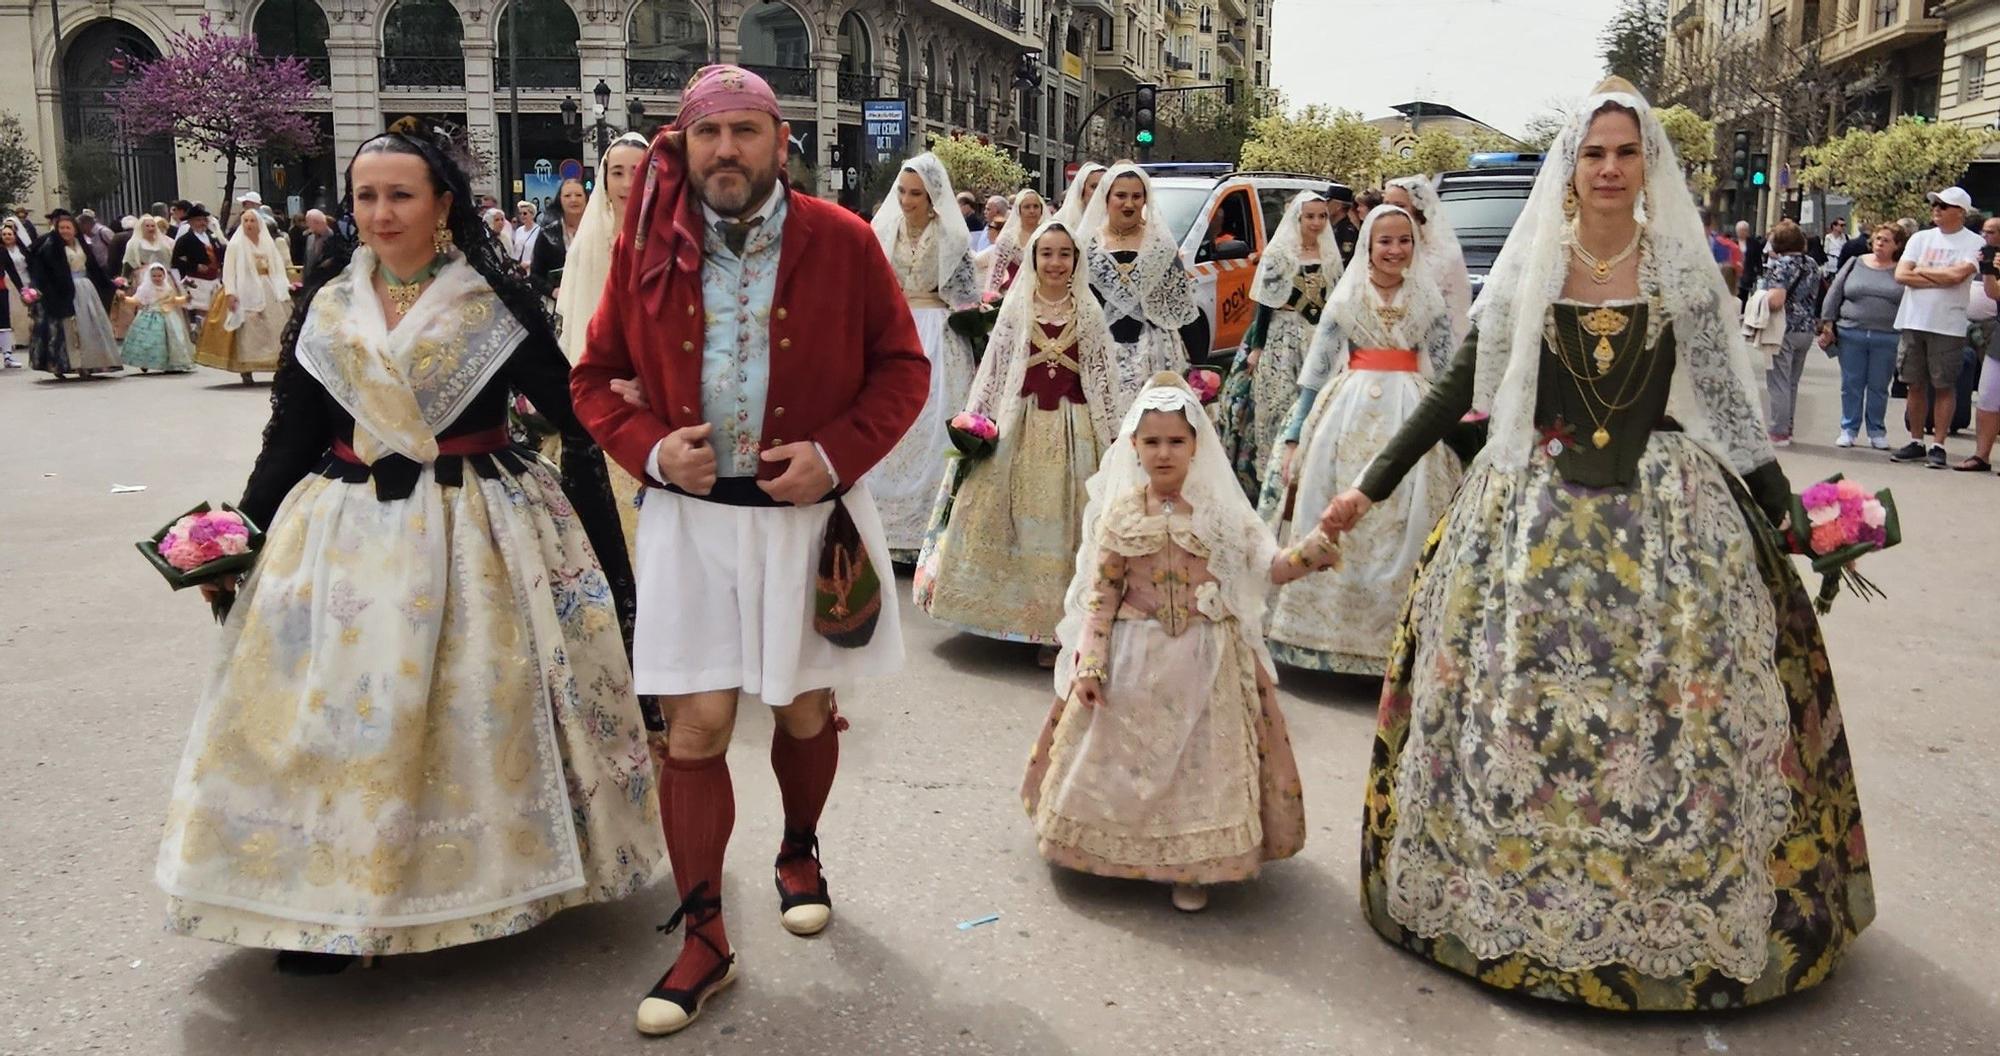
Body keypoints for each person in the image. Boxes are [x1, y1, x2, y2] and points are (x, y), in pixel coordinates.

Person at [1316, 77, 1871, 1011]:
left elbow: (1735, 414)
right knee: (1521, 703)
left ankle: (1667, 916)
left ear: (1645, 165)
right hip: (1531, 514)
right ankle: (1509, 897)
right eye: (1594, 153)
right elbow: (1460, 392)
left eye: (1625, 153)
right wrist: (1363, 492)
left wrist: (1793, 516)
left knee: (1673, 705)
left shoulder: (1684, 272)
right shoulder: (1533, 267)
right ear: (1570, 169)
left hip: (1665, 516)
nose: (1610, 168)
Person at [154, 129, 659, 976]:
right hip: (342, 528)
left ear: (443, 205)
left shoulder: (493, 303)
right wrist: (239, 536)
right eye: (366, 197)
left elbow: (573, 410)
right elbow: (292, 436)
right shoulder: (328, 307)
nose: (381, 214)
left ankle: (484, 881)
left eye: (401, 195)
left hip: (478, 530)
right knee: (330, 710)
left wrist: (631, 471)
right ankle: (322, 902)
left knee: (473, 707)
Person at [566, 64, 929, 1037]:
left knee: (805, 703)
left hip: (814, 522)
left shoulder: (844, 244)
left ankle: (799, 850)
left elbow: (903, 367)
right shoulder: (645, 249)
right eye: (707, 133)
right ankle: (704, 936)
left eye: (745, 131)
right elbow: (593, 377)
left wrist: (835, 456)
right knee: (694, 727)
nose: (725, 150)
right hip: (691, 524)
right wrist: (646, 448)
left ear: (779, 141)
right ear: (681, 146)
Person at [1022, 372, 1340, 913]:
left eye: (1176, 441)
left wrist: (1315, 547)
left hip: (1207, 660)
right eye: (1152, 442)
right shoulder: (1121, 515)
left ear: (1197, 445)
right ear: (1134, 448)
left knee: (1199, 764)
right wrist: (1092, 663)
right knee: (1132, 758)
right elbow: (1102, 595)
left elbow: (1272, 567)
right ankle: (1116, 849)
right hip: (1133, 658)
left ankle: (1193, 864)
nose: (1164, 452)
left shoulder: (1220, 515)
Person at [1259, 203, 1459, 675]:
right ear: (1368, 246)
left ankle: (1399, 639)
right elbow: (1316, 368)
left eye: (1403, 241)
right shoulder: (1347, 299)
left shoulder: (1428, 300)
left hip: (1411, 411)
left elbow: (1449, 368)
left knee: (1408, 516)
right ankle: (1321, 635)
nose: (1395, 250)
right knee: (1330, 505)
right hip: (1347, 413)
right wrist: (1294, 434)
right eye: (1384, 241)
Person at [915, 219, 1123, 658]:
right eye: (1046, 253)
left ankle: (1059, 630)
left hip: (1074, 432)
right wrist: (979, 424)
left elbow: (1104, 382)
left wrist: (1115, 442)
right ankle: (1005, 616)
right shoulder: (1017, 307)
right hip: (1019, 426)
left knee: (1069, 526)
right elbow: (993, 370)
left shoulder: (1088, 312)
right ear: (1033, 258)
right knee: (1008, 516)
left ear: (1076, 261)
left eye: (1064, 254)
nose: (1055, 262)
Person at [864, 152, 981, 559]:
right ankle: (884, 531)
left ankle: (929, 534)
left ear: (933, 198)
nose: (907, 200)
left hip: (939, 334)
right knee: (892, 427)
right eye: (902, 191)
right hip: (897, 329)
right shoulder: (885, 232)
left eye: (916, 193)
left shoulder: (952, 237)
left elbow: (966, 296)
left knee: (932, 426)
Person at [552, 131, 652, 548]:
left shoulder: (678, 236)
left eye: (638, 171)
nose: (628, 183)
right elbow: (580, 317)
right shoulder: (590, 244)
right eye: (618, 172)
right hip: (606, 392)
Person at [1216, 189, 1338, 496]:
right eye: (1310, 216)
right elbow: (1265, 306)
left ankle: (1312, 470)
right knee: (1278, 403)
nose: (1316, 222)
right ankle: (1272, 473)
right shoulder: (1279, 254)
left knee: (1318, 405)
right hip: (1282, 338)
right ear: (1297, 218)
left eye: (1321, 216)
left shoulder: (1330, 255)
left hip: (1317, 337)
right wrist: (1257, 348)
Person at [1079, 163, 1201, 411]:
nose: (1129, 204)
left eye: (1136, 196)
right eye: (1121, 196)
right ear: (1107, 198)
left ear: (1145, 200)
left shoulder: (1160, 245)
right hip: (1102, 354)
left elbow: (1181, 307)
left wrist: (1199, 365)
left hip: (1154, 354)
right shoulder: (1087, 245)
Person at [1889, 186, 1984, 468]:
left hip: (1948, 323)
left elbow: (1958, 276)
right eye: (1935, 204)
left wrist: (1922, 271)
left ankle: (1939, 443)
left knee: (1944, 385)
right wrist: (1938, 277)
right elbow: (1901, 275)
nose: (1937, 209)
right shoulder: (1920, 238)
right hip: (1913, 318)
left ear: (1960, 212)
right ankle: (1916, 440)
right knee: (1914, 383)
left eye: (1943, 206)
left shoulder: (1974, 243)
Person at [1819, 222, 1906, 449]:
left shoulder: (1902, 270)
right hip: (1851, 332)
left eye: (1886, 240)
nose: (1880, 243)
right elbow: (1835, 292)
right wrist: (1828, 324)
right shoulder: (1855, 263)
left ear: (1896, 245)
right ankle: (1848, 428)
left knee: (1878, 386)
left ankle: (1876, 430)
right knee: (1851, 383)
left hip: (1886, 335)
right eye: (1877, 239)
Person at [194, 209, 291, 382]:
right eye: (245, 221)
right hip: (244, 287)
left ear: (259, 224)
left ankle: (274, 363)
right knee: (248, 328)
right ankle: (246, 368)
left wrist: (283, 287)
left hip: (267, 288)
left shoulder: (268, 243)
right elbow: (229, 271)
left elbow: (277, 267)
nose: (248, 224)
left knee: (274, 326)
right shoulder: (236, 244)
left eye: (252, 221)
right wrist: (231, 293)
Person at [26, 209, 120, 379]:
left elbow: (94, 268)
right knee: (68, 329)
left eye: (68, 227)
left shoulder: (82, 244)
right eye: (61, 228)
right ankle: (65, 364)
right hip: (62, 290)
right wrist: (38, 288)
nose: (64, 231)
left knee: (88, 327)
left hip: (85, 289)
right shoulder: (50, 247)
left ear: (74, 229)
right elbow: (43, 271)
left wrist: (111, 283)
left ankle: (88, 363)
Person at [1385, 175, 1473, 350]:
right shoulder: (1380, 251)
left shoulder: (1445, 256)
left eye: (1400, 206)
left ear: (1418, 210)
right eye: (1386, 205)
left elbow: (1458, 313)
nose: (1391, 212)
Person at [1756, 220, 1823, 447]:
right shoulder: (1812, 264)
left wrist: (1759, 298)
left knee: (1778, 382)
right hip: (1805, 329)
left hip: (1783, 328)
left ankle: (1778, 430)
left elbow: (1776, 300)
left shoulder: (1780, 265)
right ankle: (1789, 426)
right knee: (1792, 381)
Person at [1958, 222, 2000, 473]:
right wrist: (1987, 268)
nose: (1985, 235)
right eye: (1984, 231)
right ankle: (1981, 456)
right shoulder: (1992, 259)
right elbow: (1993, 291)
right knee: (1987, 396)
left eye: (1991, 231)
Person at [117, 262, 196, 373]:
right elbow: (136, 300)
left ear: (164, 276)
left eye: (159, 276)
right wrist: (124, 299)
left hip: (168, 316)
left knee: (172, 341)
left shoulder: (168, 288)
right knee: (148, 341)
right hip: (149, 316)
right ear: (149, 276)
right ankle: (144, 361)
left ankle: (171, 363)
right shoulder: (145, 288)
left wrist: (185, 298)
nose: (157, 278)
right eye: (154, 276)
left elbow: (174, 301)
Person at [979, 188, 1047, 297]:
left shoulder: (1049, 234)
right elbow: (997, 272)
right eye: (1027, 207)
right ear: (1019, 210)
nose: (1032, 211)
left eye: (1036, 206)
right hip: (1015, 295)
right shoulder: (1008, 238)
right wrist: (991, 296)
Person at [531, 177, 589, 299]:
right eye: (567, 196)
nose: (573, 199)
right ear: (560, 200)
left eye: (578, 195)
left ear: (586, 198)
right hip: (559, 304)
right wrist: (552, 291)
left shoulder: (598, 230)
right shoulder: (548, 233)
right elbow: (535, 275)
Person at [171, 205, 225, 323]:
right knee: (201, 308)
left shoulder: (212, 237)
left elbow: (220, 253)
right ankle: (200, 333)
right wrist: (195, 266)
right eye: (198, 220)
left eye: (204, 220)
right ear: (190, 222)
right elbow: (176, 261)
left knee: (216, 307)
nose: (202, 223)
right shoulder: (185, 240)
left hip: (214, 279)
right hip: (196, 280)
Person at [1, 217, 34, 365]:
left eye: (10, 234)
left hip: (4, 286)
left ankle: (8, 354)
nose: (7, 237)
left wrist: (22, 288)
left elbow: (12, 270)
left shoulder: (5, 251)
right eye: (4, 234)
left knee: (5, 321)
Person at [1052, 162, 1107, 231]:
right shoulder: (1062, 219)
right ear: (1082, 189)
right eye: (1094, 187)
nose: (1099, 191)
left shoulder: (1114, 219)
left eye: (1103, 187)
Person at [300, 209, 347, 273]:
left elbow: (341, 258)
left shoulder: (335, 237)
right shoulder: (309, 238)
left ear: (317, 222)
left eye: (309, 222)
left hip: (329, 278)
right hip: (310, 279)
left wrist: (331, 261)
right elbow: (306, 261)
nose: (307, 225)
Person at [1326, 185, 1362, 265]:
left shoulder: (1347, 232)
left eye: (1328, 201)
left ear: (1338, 206)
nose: (1325, 204)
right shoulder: (1331, 226)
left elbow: (1343, 260)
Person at [1736, 219, 1765, 307]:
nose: (1741, 232)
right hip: (1735, 273)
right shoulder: (1733, 242)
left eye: (1744, 230)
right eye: (1740, 230)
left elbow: (1758, 258)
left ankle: (1742, 311)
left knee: (1744, 294)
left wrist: (1760, 272)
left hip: (1747, 272)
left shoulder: (1754, 243)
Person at [511, 199, 540, 271]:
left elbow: (541, 255)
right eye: (520, 213)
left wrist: (528, 263)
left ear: (532, 214)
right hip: (518, 270)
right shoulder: (519, 231)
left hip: (532, 270)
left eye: (525, 213)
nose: (522, 216)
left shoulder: (539, 231)